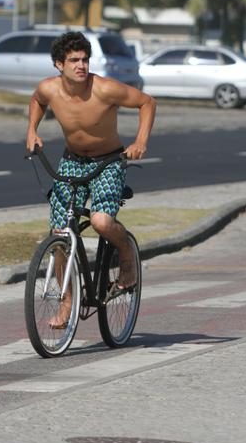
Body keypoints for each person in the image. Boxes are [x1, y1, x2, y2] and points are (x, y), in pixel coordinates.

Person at [26, 31, 156, 328]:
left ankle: (127, 257)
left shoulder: (105, 89)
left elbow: (147, 102)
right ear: (59, 64)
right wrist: (32, 130)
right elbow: (37, 101)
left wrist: (140, 141)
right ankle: (68, 301)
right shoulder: (49, 89)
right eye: (74, 60)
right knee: (59, 234)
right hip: (72, 161)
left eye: (84, 59)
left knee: (100, 221)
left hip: (109, 161)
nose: (81, 66)